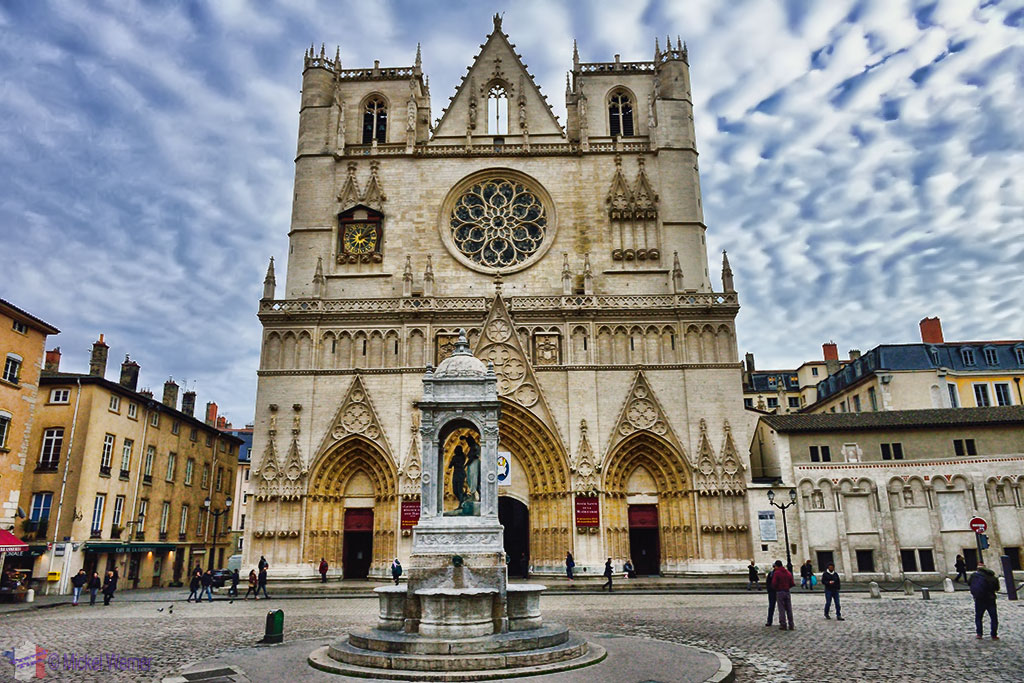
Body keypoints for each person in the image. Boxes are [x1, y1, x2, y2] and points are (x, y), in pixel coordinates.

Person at [969, 561, 999, 640]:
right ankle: (994, 634)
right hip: (990, 599)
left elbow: (969, 584)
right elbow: (997, 588)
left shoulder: (974, 576)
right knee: (993, 617)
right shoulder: (992, 577)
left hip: (979, 599)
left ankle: (979, 634)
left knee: (978, 617)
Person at [769, 560, 794, 630]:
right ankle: (791, 624)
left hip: (780, 592)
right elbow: (792, 582)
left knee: (781, 609)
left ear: (777, 566)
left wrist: (776, 588)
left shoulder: (777, 573)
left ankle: (783, 624)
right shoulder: (788, 572)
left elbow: (774, 583)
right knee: (789, 609)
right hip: (787, 591)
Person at [765, 562, 778, 627]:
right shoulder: (771, 574)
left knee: (772, 607)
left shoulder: (771, 574)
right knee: (773, 607)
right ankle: (784, 621)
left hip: (775, 592)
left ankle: (769, 621)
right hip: (776, 592)